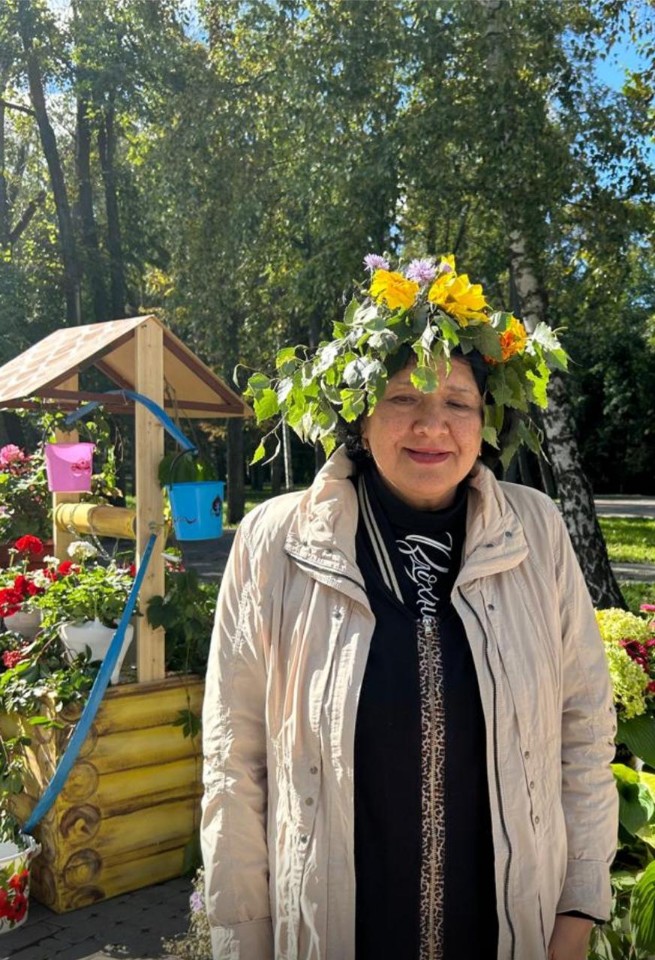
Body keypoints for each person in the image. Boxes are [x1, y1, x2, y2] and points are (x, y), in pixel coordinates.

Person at [201, 254, 617, 960]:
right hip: (336, 931)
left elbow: (583, 725)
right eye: (402, 398)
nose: (431, 425)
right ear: (359, 415)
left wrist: (577, 907)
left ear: (485, 420)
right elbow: (232, 759)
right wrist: (241, 939)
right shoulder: (277, 541)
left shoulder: (536, 530)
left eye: (456, 402)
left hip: (508, 929)